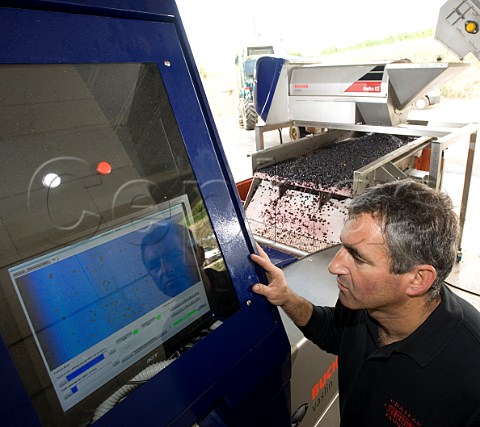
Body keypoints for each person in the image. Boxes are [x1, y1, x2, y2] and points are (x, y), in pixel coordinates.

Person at [251, 179, 480, 426]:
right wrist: (287, 297)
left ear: (418, 279)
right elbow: (334, 332)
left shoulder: (471, 375)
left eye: (358, 258)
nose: (334, 266)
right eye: (343, 246)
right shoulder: (363, 306)